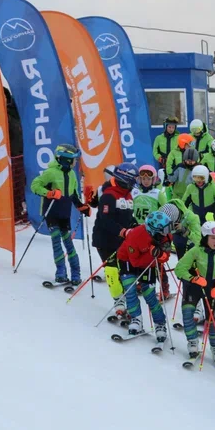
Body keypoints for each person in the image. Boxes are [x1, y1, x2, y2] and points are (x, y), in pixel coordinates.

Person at [29, 144, 90, 285]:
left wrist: (81, 206)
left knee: (68, 243)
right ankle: (61, 272)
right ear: (66, 160)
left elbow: (73, 194)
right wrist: (49, 193)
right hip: (51, 212)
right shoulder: (50, 172)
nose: (75, 162)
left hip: (64, 213)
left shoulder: (72, 174)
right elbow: (35, 185)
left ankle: (76, 273)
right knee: (56, 242)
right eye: (74, 159)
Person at [174, 221, 215, 363]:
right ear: (205, 238)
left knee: (212, 319)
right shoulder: (195, 251)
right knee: (188, 313)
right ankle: (193, 342)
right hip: (194, 286)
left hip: (212, 288)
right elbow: (180, 268)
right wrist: (193, 278)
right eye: (212, 238)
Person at [113, 210, 172, 342]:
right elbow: (135, 262)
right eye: (165, 229)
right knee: (130, 290)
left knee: (150, 295)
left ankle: (160, 324)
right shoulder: (135, 235)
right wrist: (152, 254)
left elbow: (165, 255)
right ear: (154, 230)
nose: (167, 232)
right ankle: (136, 319)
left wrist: (160, 255)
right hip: (127, 260)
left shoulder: (166, 236)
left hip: (149, 264)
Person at [93, 164, 137, 304]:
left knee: (124, 270)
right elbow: (105, 219)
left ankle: (128, 297)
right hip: (105, 240)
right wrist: (123, 231)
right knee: (111, 271)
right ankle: (119, 301)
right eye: (133, 179)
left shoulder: (128, 195)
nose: (135, 182)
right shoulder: (109, 195)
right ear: (126, 178)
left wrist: (136, 227)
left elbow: (129, 217)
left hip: (121, 241)